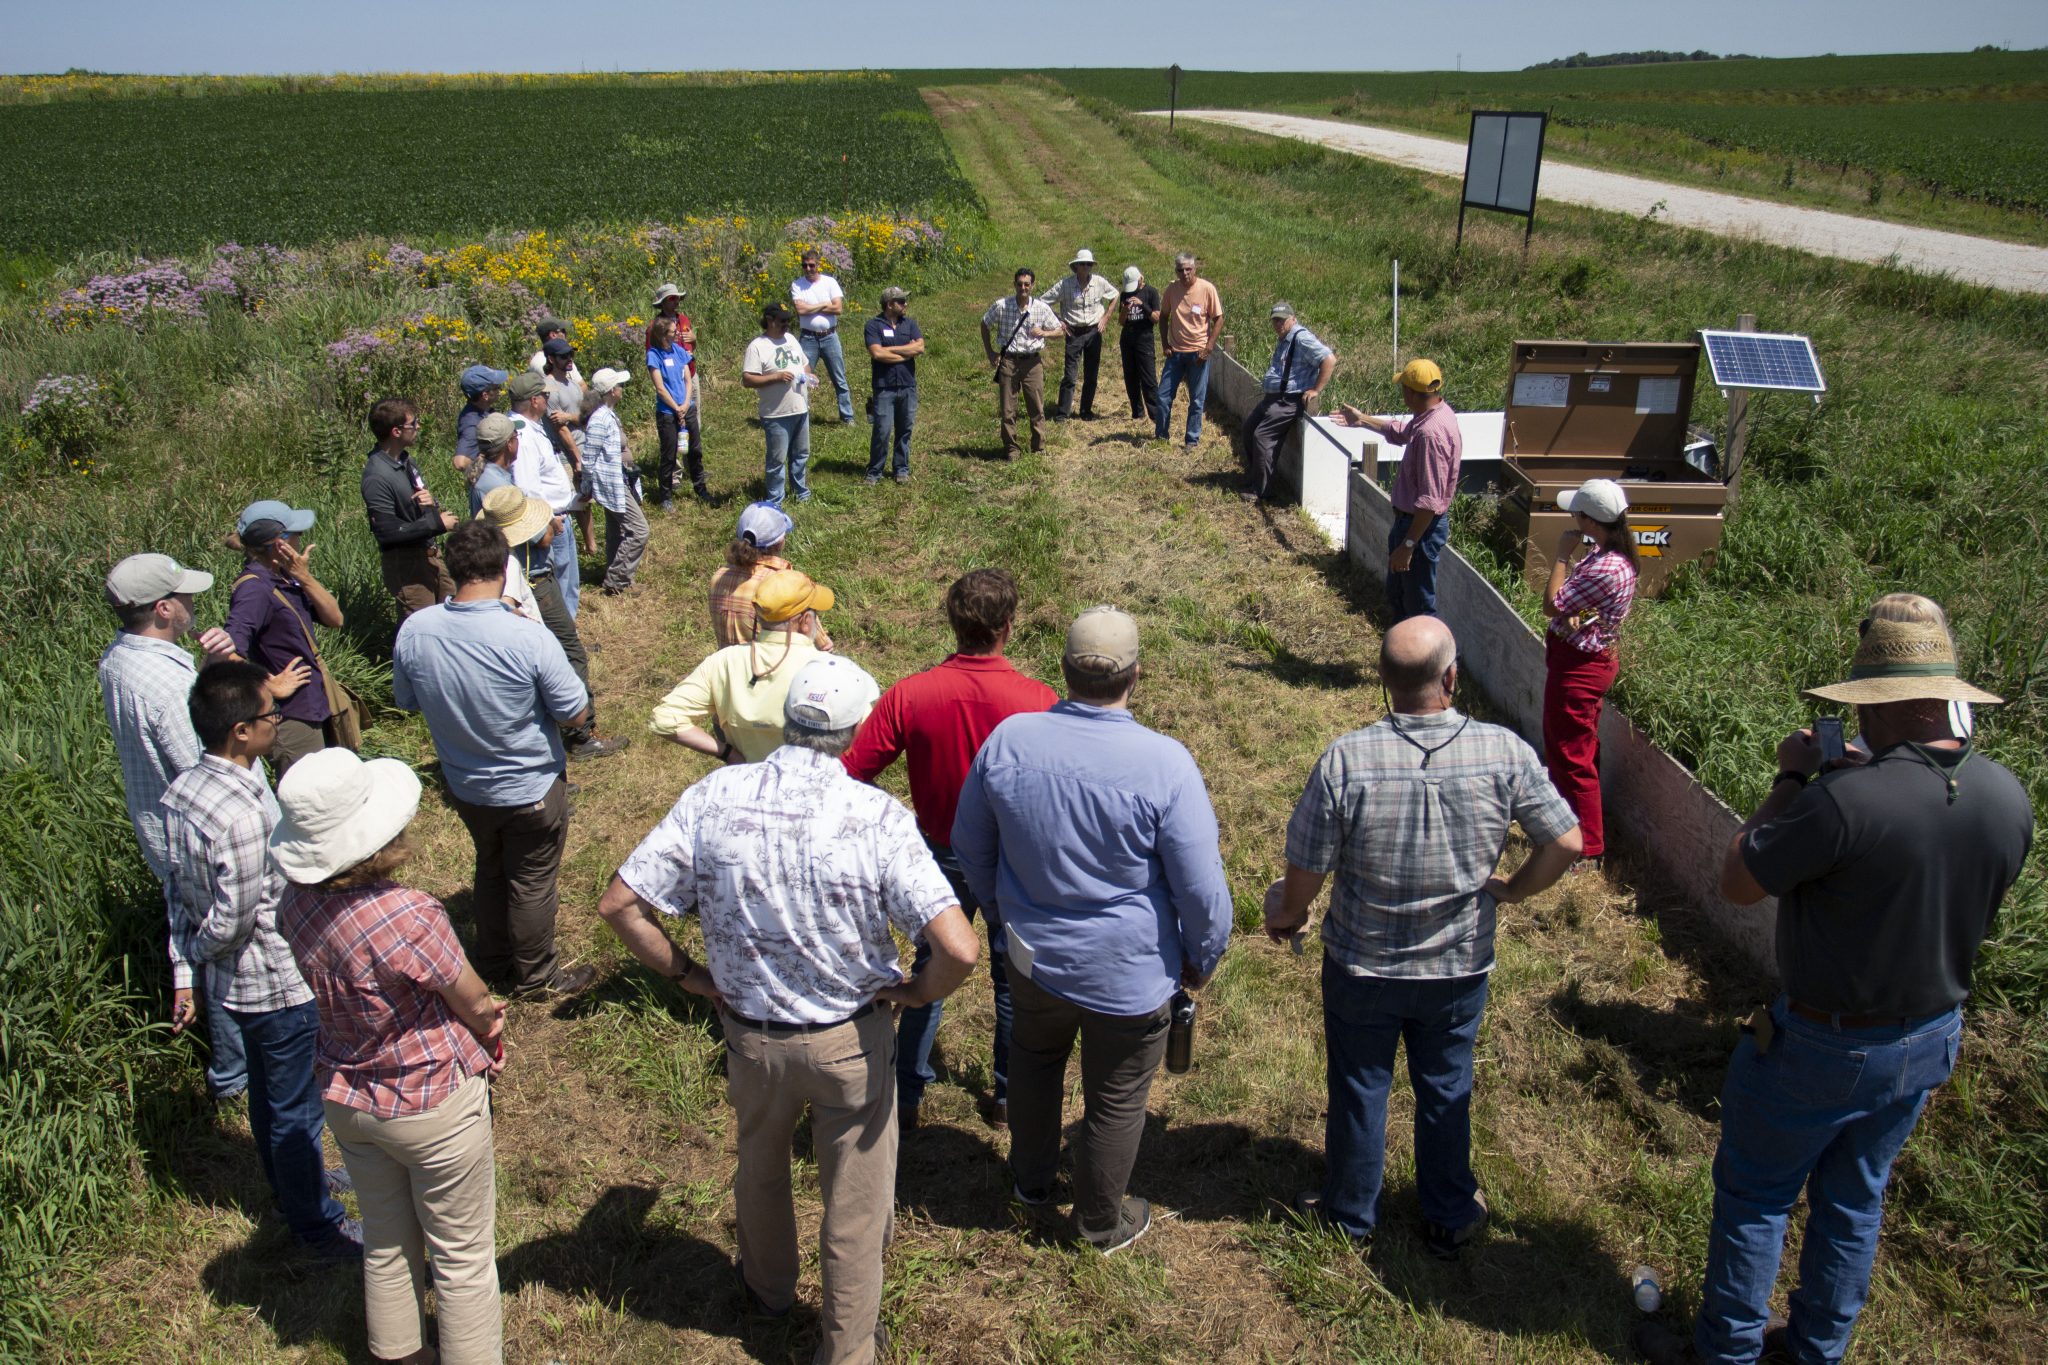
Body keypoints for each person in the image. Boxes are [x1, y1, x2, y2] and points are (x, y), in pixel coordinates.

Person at [1632, 609, 2031, 1365]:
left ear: (1881, 701)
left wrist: (1792, 778)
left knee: (1758, 1196)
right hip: (1930, 1033)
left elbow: (1740, 878)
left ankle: (1727, 1352)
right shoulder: (2007, 797)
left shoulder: (1839, 802)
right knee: (1854, 1197)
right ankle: (1816, 1348)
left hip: (1822, 1040)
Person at [599, 655, 980, 1365]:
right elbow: (958, 948)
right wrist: (916, 992)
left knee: (760, 1164)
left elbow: (620, 903)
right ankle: (847, 1345)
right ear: (857, 728)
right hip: (850, 1042)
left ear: (787, 719)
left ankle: (768, 1289)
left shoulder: (713, 797)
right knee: (857, 1203)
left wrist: (686, 972)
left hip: (752, 1036)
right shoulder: (877, 817)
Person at [1264, 615, 1581, 1257]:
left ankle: (1351, 1213)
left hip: (1362, 965)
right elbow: (1567, 841)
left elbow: (1307, 868)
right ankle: (1448, 1211)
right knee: (1446, 1084)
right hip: (1458, 966)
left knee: (1359, 1085)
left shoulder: (1346, 759)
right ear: (1453, 677)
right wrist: (1514, 890)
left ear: (1384, 683)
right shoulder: (1504, 752)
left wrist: (1287, 917)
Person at [952, 606, 1233, 1253]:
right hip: (1130, 976)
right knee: (1116, 1095)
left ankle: (1029, 1184)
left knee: (1034, 1061)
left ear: (1064, 670)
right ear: (1138, 674)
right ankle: (1100, 1224)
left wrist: (1001, 911)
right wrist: (1201, 957)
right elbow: (1202, 890)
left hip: (1034, 960)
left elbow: (970, 842)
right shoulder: (1166, 763)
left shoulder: (1010, 740)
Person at [273, 747, 508, 1365]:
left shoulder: (293, 906)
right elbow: (473, 999)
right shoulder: (408, 913)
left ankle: (399, 1357)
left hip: (347, 1095)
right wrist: (490, 1027)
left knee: (385, 1241)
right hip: (431, 1099)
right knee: (461, 1259)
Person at [841, 568, 1057, 1130]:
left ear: (952, 622)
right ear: (1009, 626)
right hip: (1015, 859)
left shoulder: (910, 694)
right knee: (1012, 980)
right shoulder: (1039, 700)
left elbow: (851, 773)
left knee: (931, 970)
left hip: (939, 853)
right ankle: (1008, 1098)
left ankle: (907, 1094)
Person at [165, 661, 360, 1260]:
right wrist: (199, 954)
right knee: (298, 1107)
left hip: (234, 984)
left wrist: (188, 965)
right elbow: (237, 914)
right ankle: (314, 1225)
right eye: (270, 715)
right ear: (241, 733)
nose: (278, 721)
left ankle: (296, 1185)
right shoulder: (243, 814)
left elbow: (177, 892)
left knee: (269, 1097)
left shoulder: (183, 792)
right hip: (272, 980)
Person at [100, 552, 307, 1105]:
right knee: (228, 941)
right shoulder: (166, 686)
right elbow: (208, 754)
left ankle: (239, 1065)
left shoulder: (122, 659)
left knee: (217, 934)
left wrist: (216, 670)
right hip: (218, 832)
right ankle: (239, 1072)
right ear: (164, 608)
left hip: (167, 825)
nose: (193, 603)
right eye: (185, 598)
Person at [393, 520, 616, 999]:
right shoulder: (528, 638)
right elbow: (575, 712)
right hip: (531, 787)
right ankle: (536, 977)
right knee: (531, 880)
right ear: (503, 568)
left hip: (465, 786)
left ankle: (491, 960)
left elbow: (407, 699)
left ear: (453, 571)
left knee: (491, 866)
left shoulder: (416, 630)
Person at [1541, 478, 1639, 865]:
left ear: (1590, 521)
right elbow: (1586, 607)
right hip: (1581, 662)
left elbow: (1552, 604)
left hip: (1580, 668)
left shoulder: (1606, 565)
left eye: (1576, 514)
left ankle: (1587, 848)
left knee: (1570, 755)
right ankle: (1570, 828)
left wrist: (1561, 556)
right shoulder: (1608, 556)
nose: (1572, 520)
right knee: (1575, 749)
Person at [652, 569, 840, 764]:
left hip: (749, 785)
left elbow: (664, 720)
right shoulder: (829, 669)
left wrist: (727, 753)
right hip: (810, 786)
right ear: (806, 622)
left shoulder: (722, 662)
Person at [1335, 358, 1461, 622]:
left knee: (1418, 607)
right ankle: (1405, 657)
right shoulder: (1436, 414)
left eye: (1403, 387)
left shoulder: (1430, 435)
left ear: (1412, 393)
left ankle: (1428, 660)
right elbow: (1403, 432)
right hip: (1413, 525)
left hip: (1420, 529)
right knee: (1400, 596)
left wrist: (1408, 545)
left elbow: (1429, 501)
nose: (1401, 392)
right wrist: (1362, 420)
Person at [225, 500, 345, 776]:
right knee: (309, 797)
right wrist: (271, 684)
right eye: (296, 533)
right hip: (292, 715)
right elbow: (229, 654)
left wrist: (305, 578)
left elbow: (335, 619)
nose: (302, 537)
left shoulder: (284, 578)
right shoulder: (254, 589)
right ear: (278, 543)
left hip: (313, 702)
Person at [476, 486, 588, 694]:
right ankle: (581, 719)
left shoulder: (489, 552)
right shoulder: (514, 559)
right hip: (538, 586)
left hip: (510, 591)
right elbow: (544, 540)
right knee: (570, 648)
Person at [360, 397, 457, 623]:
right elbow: (387, 532)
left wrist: (431, 506)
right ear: (395, 431)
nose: (418, 427)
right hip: (406, 565)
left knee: (452, 618)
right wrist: (437, 524)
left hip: (430, 555)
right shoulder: (377, 476)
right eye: (413, 424)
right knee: (424, 628)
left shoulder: (405, 461)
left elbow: (416, 508)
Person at [706, 501, 835, 652]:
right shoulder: (783, 582)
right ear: (780, 542)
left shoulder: (718, 577)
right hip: (770, 670)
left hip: (730, 669)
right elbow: (823, 645)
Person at [1240, 302, 1336, 504]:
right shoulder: (1285, 338)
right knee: (1249, 429)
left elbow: (1328, 359)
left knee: (1262, 436)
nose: (1278, 324)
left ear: (1293, 318)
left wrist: (1316, 390)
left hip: (1288, 400)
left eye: (1282, 320)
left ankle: (1262, 490)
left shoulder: (1301, 338)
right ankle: (1255, 477)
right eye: (1275, 320)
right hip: (1273, 398)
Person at [507, 370, 582, 617]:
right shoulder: (523, 435)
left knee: (567, 578)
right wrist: (549, 519)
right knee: (560, 582)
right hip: (552, 520)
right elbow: (527, 486)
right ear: (534, 400)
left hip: (559, 516)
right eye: (545, 394)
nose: (548, 399)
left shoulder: (532, 426)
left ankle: (569, 633)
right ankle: (565, 638)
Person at [979, 268, 1063, 462]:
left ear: (1033, 285)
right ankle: (1011, 449)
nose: (1023, 288)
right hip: (1008, 361)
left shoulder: (1041, 308)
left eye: (1027, 284)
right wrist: (990, 352)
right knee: (1008, 409)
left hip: (1033, 363)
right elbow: (984, 324)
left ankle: (1038, 447)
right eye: (1019, 284)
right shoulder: (1002, 306)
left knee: (1036, 407)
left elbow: (1060, 331)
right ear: (1014, 285)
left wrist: (1044, 333)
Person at [580, 368, 649, 597]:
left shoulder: (607, 414)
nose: (622, 389)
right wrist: (586, 487)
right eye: (620, 386)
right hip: (611, 483)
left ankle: (617, 576)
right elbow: (588, 457)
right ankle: (617, 579)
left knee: (616, 531)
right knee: (639, 530)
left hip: (617, 481)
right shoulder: (600, 419)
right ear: (612, 391)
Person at [741, 303, 814, 507]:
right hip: (775, 413)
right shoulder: (757, 346)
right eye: (782, 321)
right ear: (770, 320)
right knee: (777, 460)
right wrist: (776, 377)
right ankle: (776, 499)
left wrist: (808, 375)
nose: (786, 324)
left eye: (788, 320)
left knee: (801, 454)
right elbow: (747, 379)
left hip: (800, 407)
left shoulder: (790, 339)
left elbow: (804, 362)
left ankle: (801, 492)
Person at [1039, 248, 1119, 421]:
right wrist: (1059, 321)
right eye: (1083, 264)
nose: (1086, 267)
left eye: (1089, 264)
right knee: (1070, 375)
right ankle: (1063, 413)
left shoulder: (1099, 282)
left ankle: (1085, 411)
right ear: (1076, 266)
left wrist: (1106, 317)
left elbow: (1115, 295)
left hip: (1093, 332)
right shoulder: (1065, 285)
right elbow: (1043, 302)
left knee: (1091, 374)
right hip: (1073, 333)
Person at [1155, 252, 1222, 447]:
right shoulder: (1171, 290)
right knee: (1163, 396)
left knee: (1197, 400)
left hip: (1198, 354)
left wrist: (1209, 347)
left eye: (1188, 269)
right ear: (1176, 271)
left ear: (1195, 269)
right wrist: (1165, 343)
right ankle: (1161, 437)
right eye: (1180, 270)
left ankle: (1191, 440)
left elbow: (1219, 319)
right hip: (1175, 353)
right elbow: (1163, 317)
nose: (1184, 273)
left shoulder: (1207, 289)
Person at [540, 337, 597, 557]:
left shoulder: (571, 381)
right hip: (566, 453)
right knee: (573, 501)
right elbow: (561, 430)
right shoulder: (549, 388)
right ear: (551, 359)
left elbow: (586, 416)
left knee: (585, 499)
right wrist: (576, 460)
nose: (570, 359)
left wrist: (571, 417)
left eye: (571, 354)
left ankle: (590, 545)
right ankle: (581, 547)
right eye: (564, 356)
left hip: (583, 444)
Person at [649, 283, 706, 500]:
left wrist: (684, 403)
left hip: (685, 396)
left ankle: (700, 484)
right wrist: (676, 406)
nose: (676, 302)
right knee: (669, 451)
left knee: (694, 442)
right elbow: (659, 385)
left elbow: (688, 373)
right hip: (668, 404)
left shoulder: (683, 325)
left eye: (677, 298)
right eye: (672, 298)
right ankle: (668, 490)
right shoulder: (654, 338)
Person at [863, 286, 924, 485]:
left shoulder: (910, 324)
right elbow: (877, 354)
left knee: (905, 429)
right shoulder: (873, 325)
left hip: (907, 385)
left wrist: (892, 350)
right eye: (901, 301)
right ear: (890, 304)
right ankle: (874, 471)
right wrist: (906, 353)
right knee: (882, 430)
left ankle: (901, 469)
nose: (905, 304)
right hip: (884, 387)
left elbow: (920, 347)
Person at [791, 250, 856, 424]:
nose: (808, 268)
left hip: (829, 337)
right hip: (808, 338)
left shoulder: (830, 282)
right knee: (801, 378)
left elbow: (838, 309)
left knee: (839, 378)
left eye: (811, 265)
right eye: (804, 265)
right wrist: (823, 304)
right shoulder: (797, 285)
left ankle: (847, 417)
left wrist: (810, 307)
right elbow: (800, 310)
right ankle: (800, 417)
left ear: (818, 264)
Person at [1116, 265, 1161, 425]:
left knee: (1148, 378)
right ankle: (1137, 413)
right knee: (1131, 377)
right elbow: (1121, 322)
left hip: (1144, 339)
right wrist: (1124, 311)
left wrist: (1143, 305)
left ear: (1141, 279)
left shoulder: (1151, 292)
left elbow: (1156, 318)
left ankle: (1156, 416)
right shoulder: (1125, 295)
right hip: (1127, 339)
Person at [452, 364, 508, 484]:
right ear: (485, 395)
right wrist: (489, 467)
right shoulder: (472, 422)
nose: (500, 390)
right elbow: (460, 462)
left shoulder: (483, 410)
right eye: (496, 387)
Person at [528, 314, 582, 383]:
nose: (566, 334)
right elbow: (557, 389)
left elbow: (582, 385)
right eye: (563, 331)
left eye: (571, 354)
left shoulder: (563, 356)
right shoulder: (540, 362)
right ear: (553, 335)